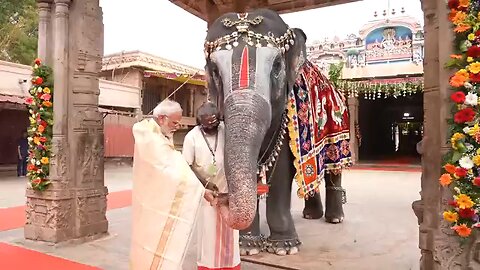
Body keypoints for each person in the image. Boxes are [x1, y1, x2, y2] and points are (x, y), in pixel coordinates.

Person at [130, 99, 217, 270]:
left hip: (159, 197)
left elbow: (174, 165)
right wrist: (201, 191)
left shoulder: (158, 134)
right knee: (151, 245)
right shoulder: (149, 137)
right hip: (153, 202)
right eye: (174, 122)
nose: (177, 126)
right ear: (161, 118)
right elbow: (173, 169)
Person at [183, 102, 241, 270]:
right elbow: (185, 166)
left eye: (214, 125)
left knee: (231, 235)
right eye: (207, 125)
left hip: (229, 192)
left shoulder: (225, 130)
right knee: (209, 238)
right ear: (199, 122)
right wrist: (204, 186)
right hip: (206, 195)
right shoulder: (191, 138)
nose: (212, 128)